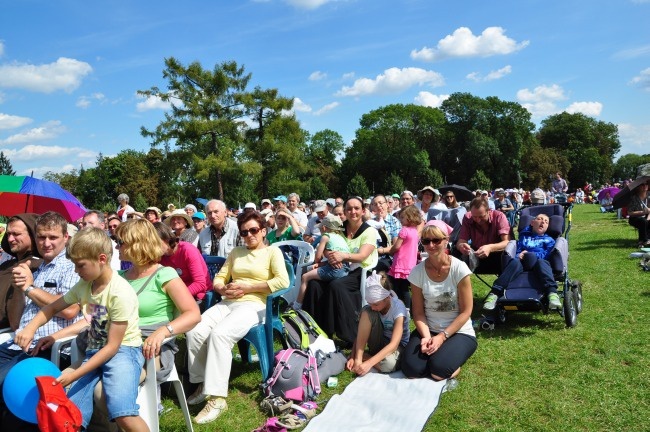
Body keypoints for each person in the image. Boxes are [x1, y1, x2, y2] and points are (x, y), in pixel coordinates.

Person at [15, 228, 148, 432]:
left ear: (101, 259)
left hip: (123, 353)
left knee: (123, 413)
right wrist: (31, 327)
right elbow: (52, 307)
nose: (76, 271)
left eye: (81, 265)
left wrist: (74, 374)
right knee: (70, 413)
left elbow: (112, 347)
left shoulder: (120, 293)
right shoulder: (85, 285)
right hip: (95, 352)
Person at [185, 211, 289, 424]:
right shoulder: (236, 252)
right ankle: (203, 383)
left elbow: (282, 282)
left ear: (263, 231)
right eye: (244, 231)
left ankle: (217, 398)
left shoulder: (272, 253)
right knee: (194, 330)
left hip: (254, 304)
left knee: (220, 335)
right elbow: (219, 278)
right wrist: (223, 289)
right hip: (228, 301)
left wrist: (249, 287)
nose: (249, 235)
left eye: (253, 230)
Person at [401, 224, 477, 381]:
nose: (431, 245)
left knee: (438, 372)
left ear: (446, 240)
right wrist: (427, 336)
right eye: (426, 241)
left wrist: (442, 337)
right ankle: (440, 356)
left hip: (459, 331)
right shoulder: (417, 272)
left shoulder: (459, 269)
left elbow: (466, 311)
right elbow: (418, 312)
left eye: (436, 240)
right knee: (411, 370)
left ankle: (449, 359)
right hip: (430, 328)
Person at [302, 197, 379, 345]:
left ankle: (346, 334)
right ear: (344, 212)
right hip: (337, 267)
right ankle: (313, 330)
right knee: (313, 284)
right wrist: (329, 257)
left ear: (363, 211)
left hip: (361, 271)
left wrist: (342, 256)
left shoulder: (369, 231)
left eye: (356, 208)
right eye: (349, 209)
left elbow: (362, 255)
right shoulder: (338, 228)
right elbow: (326, 245)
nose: (353, 212)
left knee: (336, 286)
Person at [483, 214, 562, 310]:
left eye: (546, 221)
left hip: (539, 263)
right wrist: (519, 256)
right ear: (532, 223)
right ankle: (495, 293)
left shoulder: (549, 240)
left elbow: (547, 254)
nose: (543, 222)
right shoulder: (524, 237)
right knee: (514, 262)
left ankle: (552, 293)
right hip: (522, 263)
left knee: (542, 262)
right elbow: (518, 249)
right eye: (540, 219)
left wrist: (531, 254)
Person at [346, 271, 409, 376]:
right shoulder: (372, 309)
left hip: (398, 345)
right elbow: (361, 335)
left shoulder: (398, 309)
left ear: (387, 298)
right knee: (366, 312)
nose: (373, 307)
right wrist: (354, 357)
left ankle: (367, 356)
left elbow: (394, 344)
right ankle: (361, 356)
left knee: (389, 365)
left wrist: (369, 363)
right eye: (370, 303)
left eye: (376, 304)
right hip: (379, 341)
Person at [294, 214, 350, 310]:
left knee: (305, 277)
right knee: (310, 269)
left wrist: (318, 261)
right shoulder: (341, 238)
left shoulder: (325, 236)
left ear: (323, 227)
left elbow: (318, 257)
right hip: (345, 269)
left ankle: (297, 305)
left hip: (334, 270)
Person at [0, 214, 42, 330]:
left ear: (33, 236)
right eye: (8, 234)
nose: (10, 239)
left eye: (16, 234)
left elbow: (16, 322)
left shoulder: (38, 266)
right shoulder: (5, 265)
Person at [154, 222, 211, 301]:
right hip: (176, 294)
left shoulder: (187, 250)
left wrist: (175, 297)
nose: (153, 247)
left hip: (199, 295)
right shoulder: (160, 256)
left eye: (155, 243)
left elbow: (200, 284)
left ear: (166, 238)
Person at [455, 197, 510, 274]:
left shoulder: (499, 217)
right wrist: (461, 246)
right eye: (474, 217)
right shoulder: (468, 217)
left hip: (496, 256)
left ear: (489, 211)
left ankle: (500, 285)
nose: (478, 220)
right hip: (476, 256)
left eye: (481, 216)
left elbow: (507, 242)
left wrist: (490, 248)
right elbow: (461, 240)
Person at [382, 205, 422, 308]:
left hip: (400, 263)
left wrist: (389, 251)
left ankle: (395, 304)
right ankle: (407, 308)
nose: (401, 220)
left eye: (402, 218)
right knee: (405, 288)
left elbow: (397, 246)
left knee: (394, 286)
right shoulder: (415, 232)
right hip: (410, 265)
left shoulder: (404, 230)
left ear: (409, 218)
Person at [627, 180, 650, 247]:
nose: (645, 186)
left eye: (646, 184)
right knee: (642, 221)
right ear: (638, 187)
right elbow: (630, 212)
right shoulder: (633, 198)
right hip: (635, 218)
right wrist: (643, 212)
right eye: (642, 184)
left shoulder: (649, 196)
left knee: (646, 221)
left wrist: (648, 218)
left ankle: (645, 240)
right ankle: (644, 240)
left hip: (647, 216)